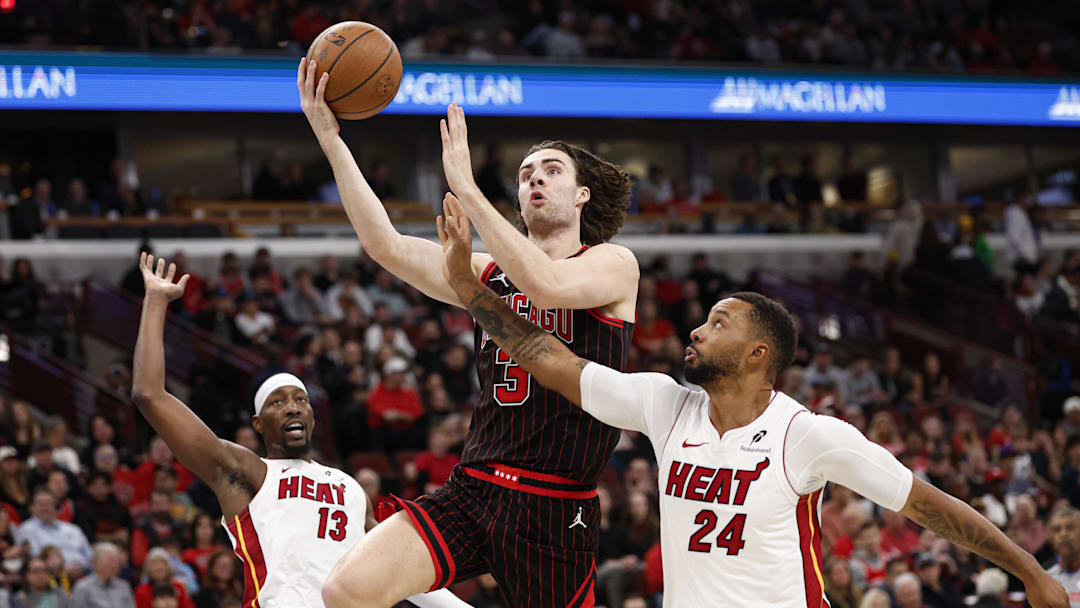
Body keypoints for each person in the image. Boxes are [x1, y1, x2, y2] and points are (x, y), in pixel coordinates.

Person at [431, 199, 1069, 607]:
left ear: (760, 352)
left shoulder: (808, 436)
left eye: (718, 322)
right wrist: (468, 288)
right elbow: (552, 360)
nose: (696, 330)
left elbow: (931, 507)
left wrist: (1030, 572)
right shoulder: (664, 406)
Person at [302, 60, 638, 607]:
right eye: (527, 173)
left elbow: (548, 284)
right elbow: (385, 244)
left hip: (555, 505)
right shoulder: (483, 271)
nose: (534, 178)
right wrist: (330, 138)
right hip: (474, 485)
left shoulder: (613, 264)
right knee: (347, 590)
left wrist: (466, 187)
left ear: (581, 197)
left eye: (551, 170)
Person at [130, 253, 468, 608]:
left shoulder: (350, 487)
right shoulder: (246, 471)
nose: (292, 406)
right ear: (258, 423)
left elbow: (396, 571)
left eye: (300, 399)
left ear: (312, 415)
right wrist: (155, 301)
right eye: (277, 402)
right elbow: (149, 395)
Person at [14, 490, 92, 573]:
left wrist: (83, 565)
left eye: (49, 504)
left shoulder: (73, 529)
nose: (45, 508)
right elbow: (35, 557)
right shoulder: (27, 529)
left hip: (84, 572)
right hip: (52, 577)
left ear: (55, 506)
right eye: (41, 504)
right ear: (32, 508)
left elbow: (90, 554)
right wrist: (63, 569)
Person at [69, 542, 135, 608]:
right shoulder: (83, 588)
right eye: (111, 561)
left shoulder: (124, 586)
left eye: (117, 561)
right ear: (96, 563)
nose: (115, 565)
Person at [1045, 507, 1080, 606]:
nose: (1063, 534)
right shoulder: (1043, 574)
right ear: (1051, 537)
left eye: (1070, 528)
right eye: (1057, 530)